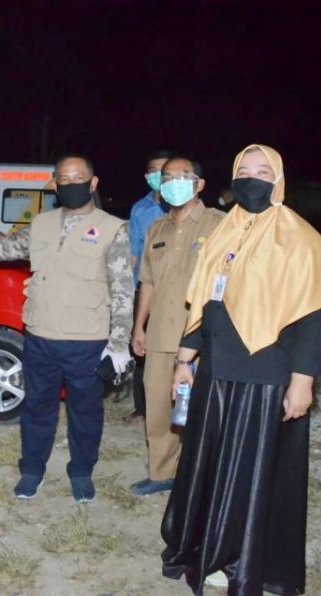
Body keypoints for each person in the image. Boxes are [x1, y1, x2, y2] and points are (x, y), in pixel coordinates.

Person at [161, 145, 321, 594]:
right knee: (209, 465)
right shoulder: (225, 231)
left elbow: (313, 321)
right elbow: (204, 305)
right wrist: (184, 361)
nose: (252, 178)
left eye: (263, 171)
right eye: (244, 170)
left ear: (278, 180)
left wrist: (303, 382)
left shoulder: (299, 238)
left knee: (248, 475)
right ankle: (204, 548)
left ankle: (240, 560)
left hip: (265, 376)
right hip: (216, 371)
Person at [0, 155, 133, 503]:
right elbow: (0, 249)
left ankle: (81, 471)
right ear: (55, 185)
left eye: (78, 178)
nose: (71, 184)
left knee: (85, 414)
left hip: (87, 340)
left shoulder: (113, 228)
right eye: (64, 179)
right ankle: (32, 470)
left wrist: (119, 343)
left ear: (93, 183)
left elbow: (123, 289)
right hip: (40, 335)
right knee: (36, 409)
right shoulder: (41, 224)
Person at [129, 157, 224, 496]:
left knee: (204, 411)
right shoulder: (156, 229)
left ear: (199, 184)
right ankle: (162, 473)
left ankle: (204, 476)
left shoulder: (220, 225)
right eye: (167, 178)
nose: (173, 183)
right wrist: (139, 327)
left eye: (182, 177)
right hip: (160, 335)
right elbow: (148, 282)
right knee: (158, 408)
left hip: (204, 338)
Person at [127, 150, 173, 422]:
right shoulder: (140, 209)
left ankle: (173, 406)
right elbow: (133, 253)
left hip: (175, 293)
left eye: (164, 170)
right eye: (154, 171)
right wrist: (131, 288)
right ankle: (142, 408)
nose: (159, 175)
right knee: (141, 349)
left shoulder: (180, 206)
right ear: (147, 177)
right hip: (144, 288)